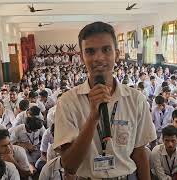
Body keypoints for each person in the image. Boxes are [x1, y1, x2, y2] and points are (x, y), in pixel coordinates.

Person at [53, 22, 157, 179]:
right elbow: (69, 165)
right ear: (82, 57)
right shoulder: (67, 102)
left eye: (106, 50)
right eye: (90, 51)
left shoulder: (136, 99)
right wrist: (93, 117)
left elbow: (139, 152)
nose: (99, 58)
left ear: (116, 53)